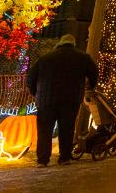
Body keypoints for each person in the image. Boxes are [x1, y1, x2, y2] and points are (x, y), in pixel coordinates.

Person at [26, 34, 98, 167]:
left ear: (60, 43)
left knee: (44, 130)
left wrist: (35, 93)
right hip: (70, 99)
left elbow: (31, 77)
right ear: (73, 44)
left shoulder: (45, 58)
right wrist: (90, 86)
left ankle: (43, 159)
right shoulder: (83, 58)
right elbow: (94, 73)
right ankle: (64, 157)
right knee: (67, 129)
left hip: (46, 100)